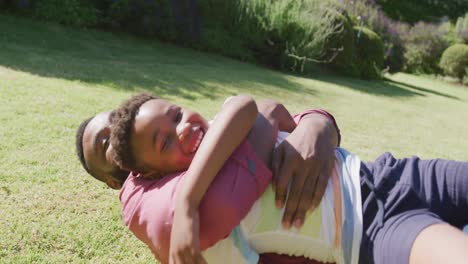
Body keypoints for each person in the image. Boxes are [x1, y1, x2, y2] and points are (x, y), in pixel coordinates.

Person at [109, 93, 468, 264]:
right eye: (166, 141)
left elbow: (247, 106)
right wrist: (187, 204)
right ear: (153, 173)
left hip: (389, 173)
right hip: (373, 229)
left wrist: (317, 122)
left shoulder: (221, 131)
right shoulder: (204, 206)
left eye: (176, 115)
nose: (183, 128)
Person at [75, 98, 340, 264]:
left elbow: (268, 112)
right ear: (112, 181)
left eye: (114, 118)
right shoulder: (140, 200)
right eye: (105, 141)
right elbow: (261, 114)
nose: (117, 130)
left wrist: (317, 123)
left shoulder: (184, 142)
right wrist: (265, 117)